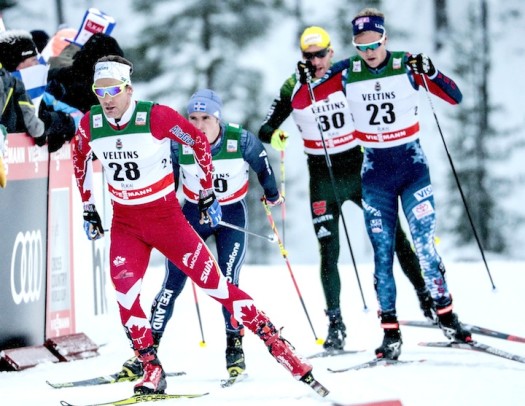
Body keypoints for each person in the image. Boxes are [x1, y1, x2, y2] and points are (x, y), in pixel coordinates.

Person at [73, 55, 325, 396]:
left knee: (219, 288)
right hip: (126, 223)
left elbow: (197, 141)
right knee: (125, 295)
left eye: (114, 89)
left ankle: (284, 352)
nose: (107, 98)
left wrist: (206, 192)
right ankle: (151, 369)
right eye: (99, 90)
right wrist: (89, 207)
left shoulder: (155, 116)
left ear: (128, 89)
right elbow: (79, 156)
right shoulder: (91, 123)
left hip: (167, 220)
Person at [258, 26, 434, 352]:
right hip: (322, 179)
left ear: (331, 51)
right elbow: (266, 127)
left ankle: (427, 297)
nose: (316, 61)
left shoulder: (346, 73)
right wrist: (275, 136)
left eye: (321, 54)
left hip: (358, 169)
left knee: (395, 239)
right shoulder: (292, 85)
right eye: (309, 56)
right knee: (328, 252)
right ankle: (336, 324)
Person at [120, 89, 284, 381]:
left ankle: (234, 349)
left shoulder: (240, 140)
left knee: (229, 280)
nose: (197, 125)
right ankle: (147, 351)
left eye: (205, 118)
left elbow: (264, 167)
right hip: (193, 215)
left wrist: (272, 194)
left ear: (217, 117)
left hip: (230, 214)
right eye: (192, 118)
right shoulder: (178, 144)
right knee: (172, 282)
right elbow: (167, 181)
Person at [343, 8, 472, 359]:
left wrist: (433, 72)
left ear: (385, 39)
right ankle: (390, 333)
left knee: (425, 247)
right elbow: (301, 99)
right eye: (360, 46)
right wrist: (306, 74)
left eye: (374, 44)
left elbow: (455, 96)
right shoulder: (347, 72)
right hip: (375, 178)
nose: (368, 52)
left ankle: (446, 315)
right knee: (383, 256)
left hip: (413, 170)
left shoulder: (406, 64)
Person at [0, 30, 77, 152]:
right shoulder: (12, 90)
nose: (39, 65)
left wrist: (64, 123)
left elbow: (44, 116)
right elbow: (30, 122)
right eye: (34, 60)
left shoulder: (32, 92)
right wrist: (61, 123)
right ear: (18, 65)